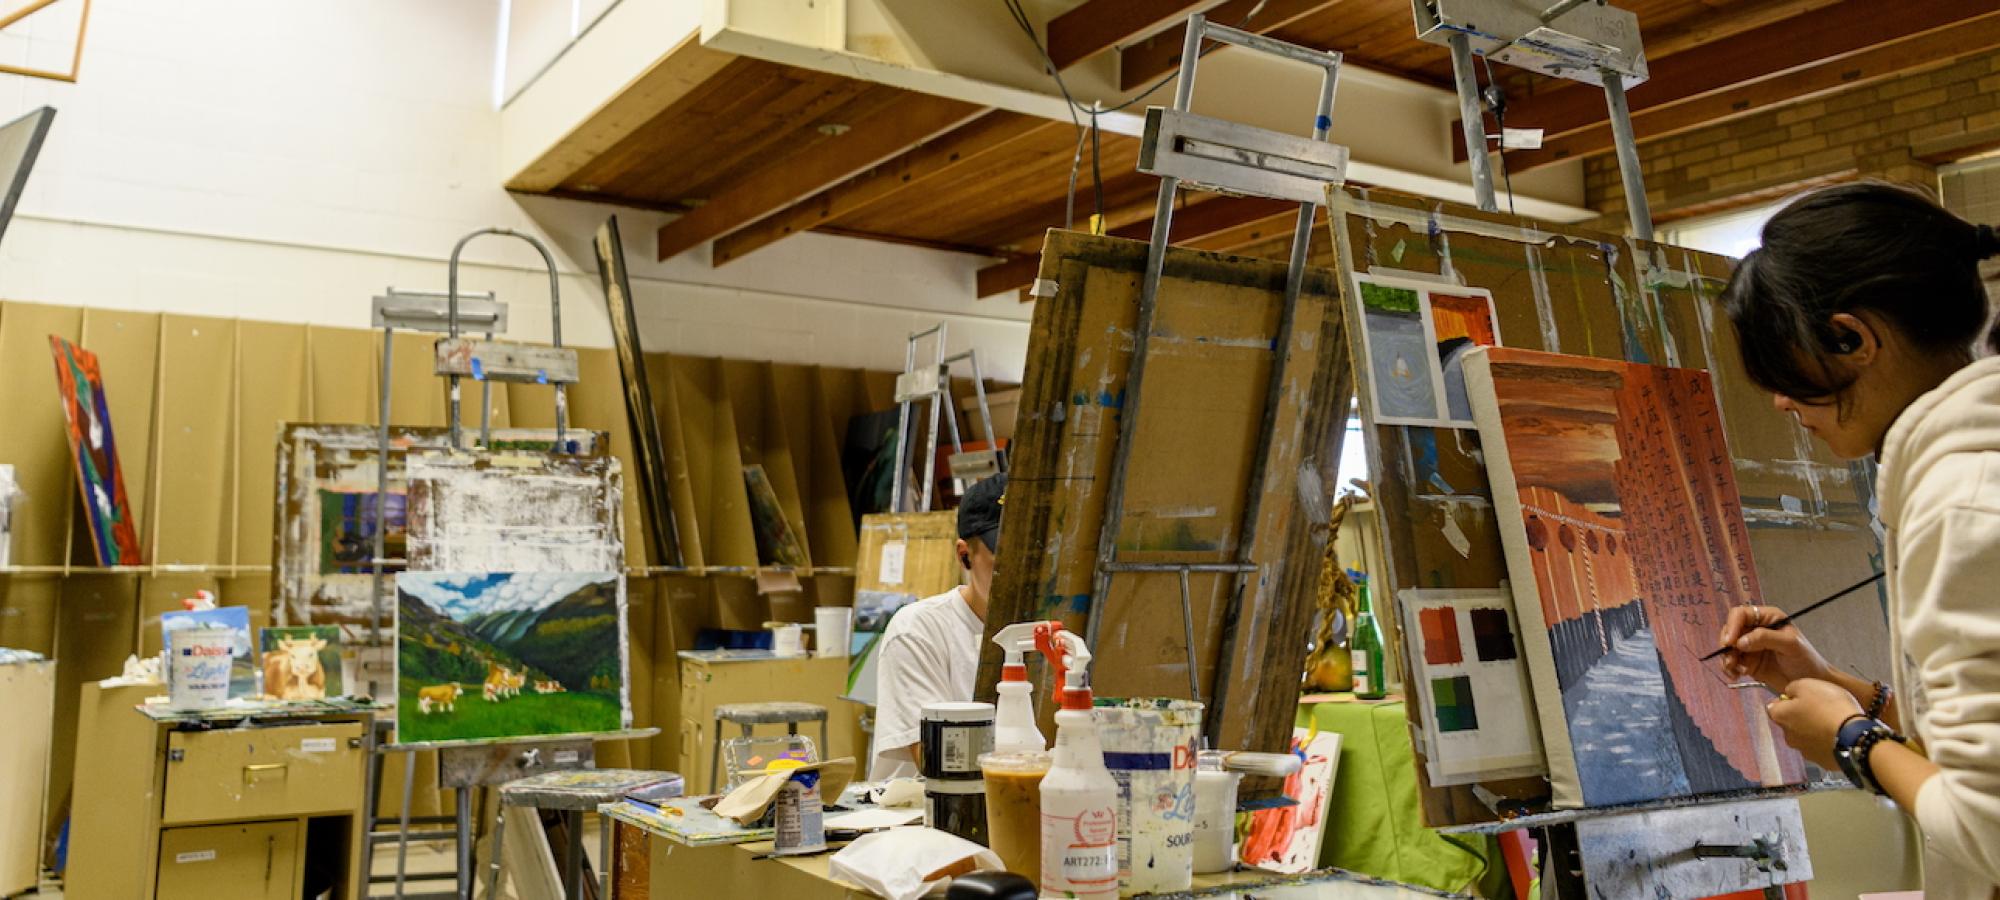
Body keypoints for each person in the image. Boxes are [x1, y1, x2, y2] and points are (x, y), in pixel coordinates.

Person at [1715, 182, 2000, 897]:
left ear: (1854, 339)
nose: (1781, 401)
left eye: (1785, 370)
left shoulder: (1960, 499)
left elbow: (1989, 825)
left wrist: (1851, 743)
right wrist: (1834, 684)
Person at [867, 473, 1006, 781]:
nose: (1020, 573)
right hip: (922, 817)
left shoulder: (1051, 628)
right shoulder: (917, 631)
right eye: (1003, 559)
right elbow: (942, 764)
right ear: (964, 556)